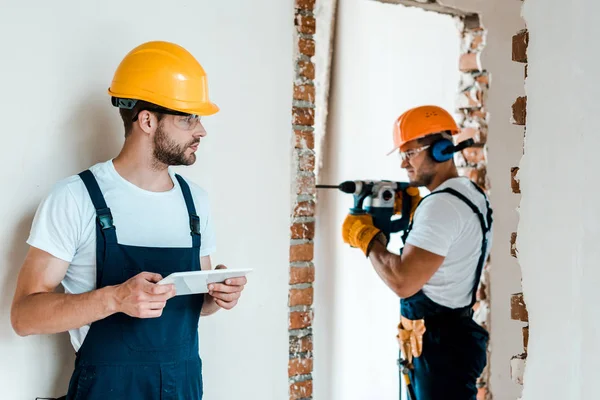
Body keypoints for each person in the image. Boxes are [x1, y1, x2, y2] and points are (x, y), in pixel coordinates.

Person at [10, 41, 246, 400]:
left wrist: (217, 296)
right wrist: (116, 298)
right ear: (147, 120)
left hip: (184, 388)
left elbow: (193, 307)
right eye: (188, 118)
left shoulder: (195, 202)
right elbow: (24, 316)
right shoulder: (76, 198)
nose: (201, 131)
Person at [341, 105, 493, 399]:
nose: (403, 165)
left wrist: (365, 236)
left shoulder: (440, 207)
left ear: (441, 150)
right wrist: (414, 216)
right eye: (402, 155)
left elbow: (403, 281)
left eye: (409, 153)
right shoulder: (468, 193)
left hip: (440, 349)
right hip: (446, 341)